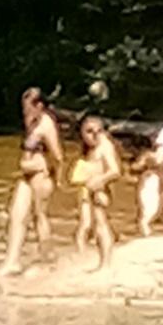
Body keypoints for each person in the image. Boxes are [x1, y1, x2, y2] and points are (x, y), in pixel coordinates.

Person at [0, 87, 63, 278]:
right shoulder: (31, 121)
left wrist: (57, 178)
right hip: (26, 175)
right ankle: (12, 262)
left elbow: (58, 156)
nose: (24, 111)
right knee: (16, 215)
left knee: (39, 217)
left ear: (39, 106)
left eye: (28, 107)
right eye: (23, 107)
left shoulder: (46, 124)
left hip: (41, 175)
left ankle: (47, 260)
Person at [72, 115, 122, 270]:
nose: (94, 135)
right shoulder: (90, 148)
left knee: (101, 224)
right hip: (89, 190)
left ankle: (105, 263)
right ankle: (82, 259)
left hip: (100, 189)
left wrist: (99, 180)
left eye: (98, 131)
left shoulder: (105, 146)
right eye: (89, 131)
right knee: (85, 225)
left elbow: (115, 171)